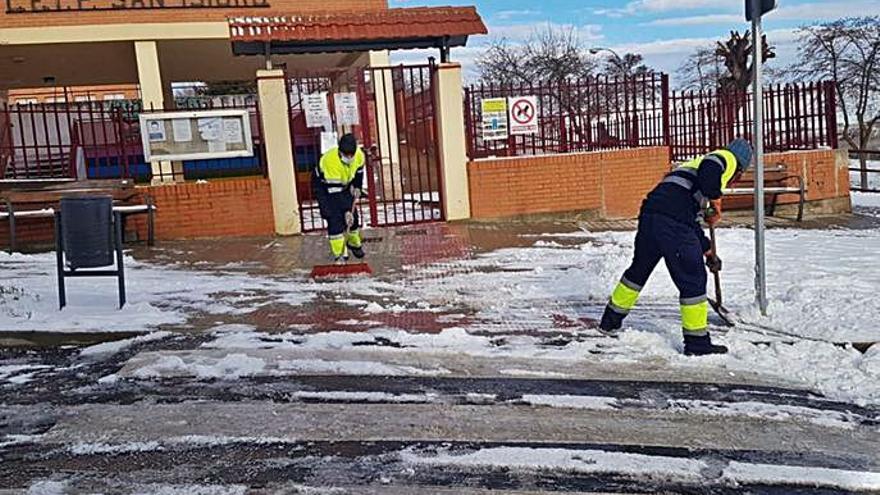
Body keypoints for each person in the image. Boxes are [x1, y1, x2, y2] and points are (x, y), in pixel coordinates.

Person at [598, 139, 753, 356]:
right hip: (673, 221)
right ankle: (697, 343)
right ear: (740, 167)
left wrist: (707, 250)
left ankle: (609, 322)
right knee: (693, 280)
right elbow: (710, 173)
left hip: (652, 215)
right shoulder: (724, 158)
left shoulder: (690, 168)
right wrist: (716, 203)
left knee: (638, 271)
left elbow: (689, 221)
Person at [312, 133, 366, 264]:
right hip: (325, 188)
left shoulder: (358, 155)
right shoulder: (331, 162)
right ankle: (339, 255)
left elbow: (359, 172)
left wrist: (357, 186)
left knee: (353, 218)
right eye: (346, 155)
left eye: (351, 155)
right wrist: (346, 210)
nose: (349, 157)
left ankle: (354, 244)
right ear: (339, 151)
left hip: (344, 185)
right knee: (334, 217)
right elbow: (335, 195)